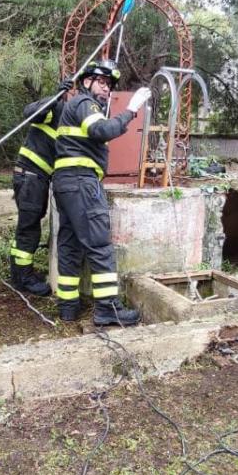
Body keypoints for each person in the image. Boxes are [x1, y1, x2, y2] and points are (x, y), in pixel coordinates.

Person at [53, 59, 151, 325]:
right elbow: (102, 131)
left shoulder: (74, 106)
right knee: (99, 245)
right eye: (103, 82)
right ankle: (107, 309)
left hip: (66, 183)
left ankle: (68, 306)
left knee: (70, 245)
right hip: (81, 182)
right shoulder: (85, 103)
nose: (107, 88)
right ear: (87, 82)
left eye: (110, 85)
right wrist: (131, 110)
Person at [9, 78, 74, 296]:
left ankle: (19, 273)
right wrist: (55, 97)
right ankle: (23, 278)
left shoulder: (71, 121)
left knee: (28, 226)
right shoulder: (55, 111)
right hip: (30, 177)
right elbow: (30, 112)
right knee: (28, 229)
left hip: (35, 178)